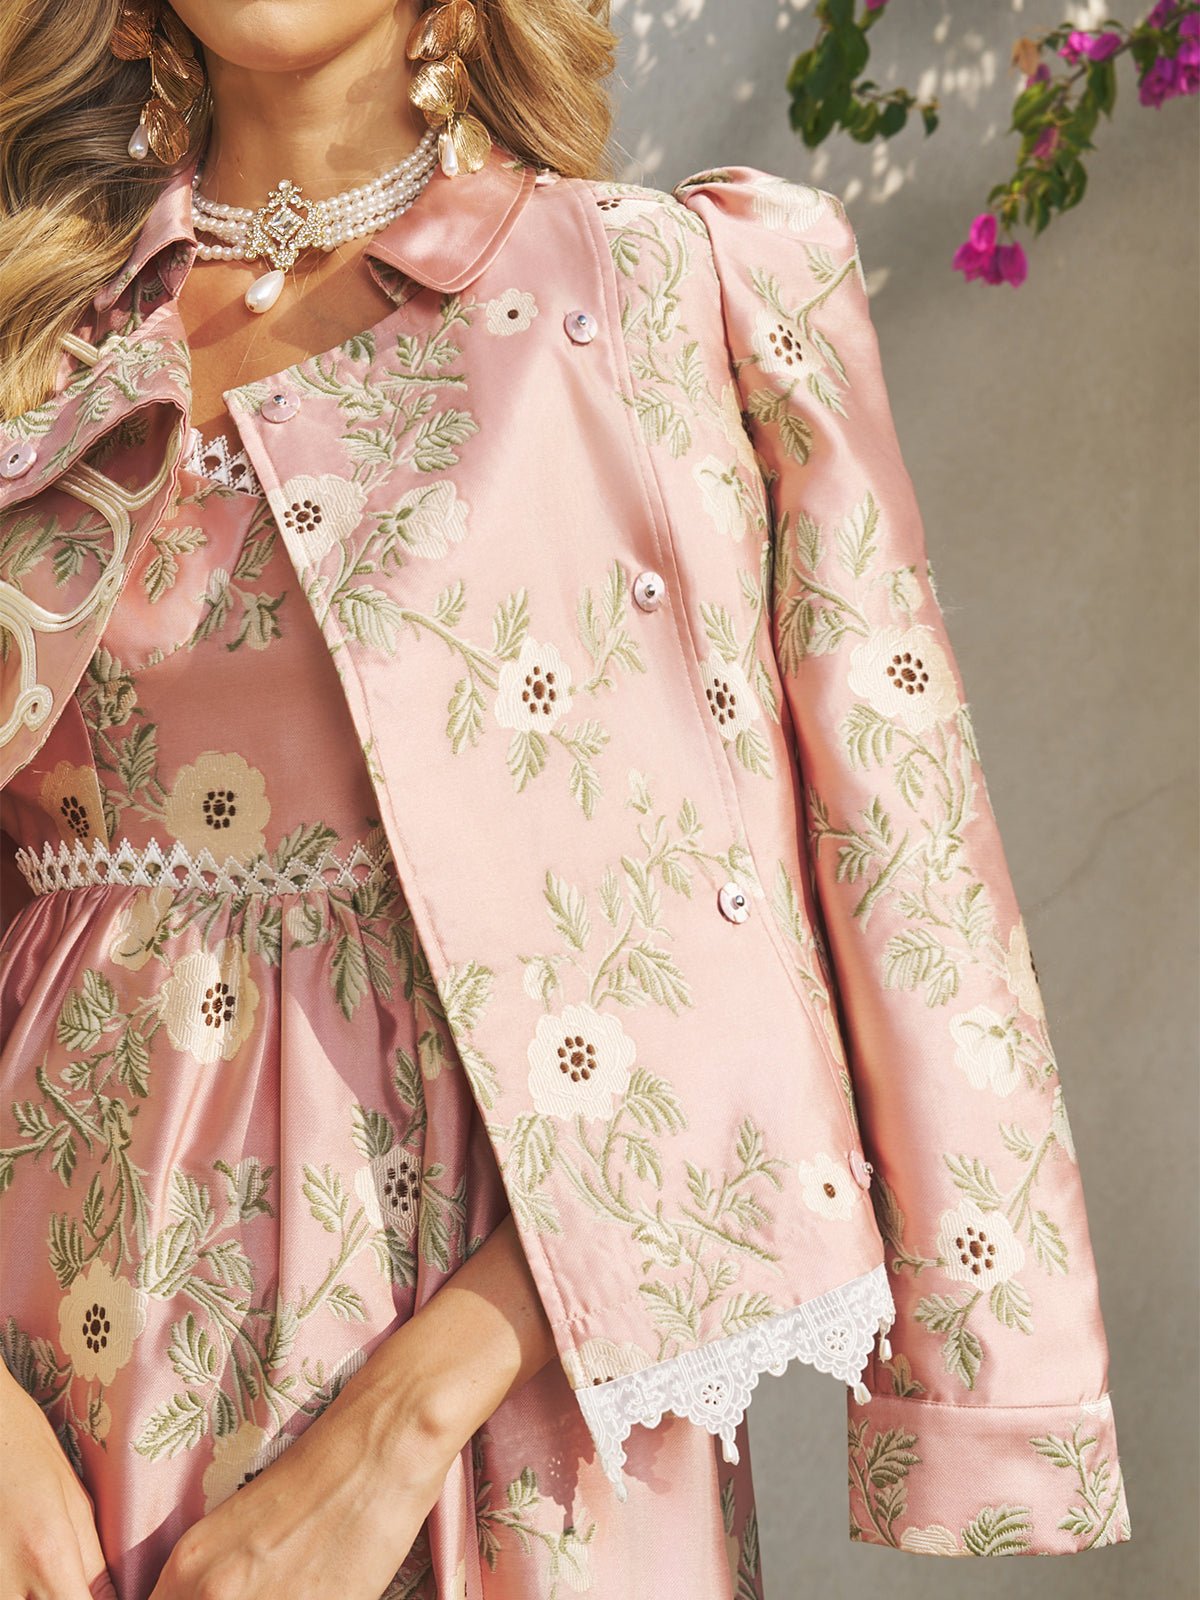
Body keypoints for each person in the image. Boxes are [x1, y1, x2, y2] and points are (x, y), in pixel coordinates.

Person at [0, 2, 1131, 1596]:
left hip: (500, 1395)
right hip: (46, 1356)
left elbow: (802, 913)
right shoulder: (34, 334)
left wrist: (404, 1426)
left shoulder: (650, 291)